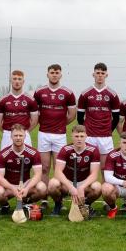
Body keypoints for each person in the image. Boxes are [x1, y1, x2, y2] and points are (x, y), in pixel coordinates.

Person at [33, 64, 77, 207]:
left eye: (57, 73)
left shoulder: (68, 93)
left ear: (60, 75)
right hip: (44, 134)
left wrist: (60, 123)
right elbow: (35, 113)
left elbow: (72, 115)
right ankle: (44, 198)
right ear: (47, 74)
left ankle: (59, 199)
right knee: (44, 167)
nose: (54, 75)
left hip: (60, 135)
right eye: (52, 72)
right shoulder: (39, 92)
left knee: (59, 168)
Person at [47, 125, 102, 216]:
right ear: (72, 136)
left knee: (97, 187)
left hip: (84, 182)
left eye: (81, 136)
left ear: (86, 136)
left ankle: (86, 205)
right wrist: (71, 187)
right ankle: (58, 204)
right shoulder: (65, 150)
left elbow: (94, 174)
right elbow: (57, 172)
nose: (79, 139)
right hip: (67, 182)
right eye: (76, 136)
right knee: (53, 184)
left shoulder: (93, 150)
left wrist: (82, 187)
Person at [0, 125, 47, 214]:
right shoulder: (3, 154)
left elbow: (38, 174)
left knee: (42, 188)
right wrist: (12, 188)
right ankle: (5, 205)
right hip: (9, 186)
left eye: (20, 135)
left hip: (25, 184)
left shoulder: (33, 153)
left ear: (25, 136)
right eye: (15, 135)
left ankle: (26, 202)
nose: (18, 138)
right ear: (11, 136)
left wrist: (27, 188)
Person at [77, 62, 121, 168]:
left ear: (106, 75)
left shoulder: (113, 94)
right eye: (98, 73)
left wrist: (108, 130)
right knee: (87, 167)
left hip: (105, 137)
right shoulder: (85, 94)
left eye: (102, 73)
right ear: (93, 74)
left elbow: (116, 118)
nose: (100, 75)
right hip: (89, 136)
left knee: (105, 168)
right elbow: (79, 117)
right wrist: (86, 130)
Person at [0, 70, 39, 149]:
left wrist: (25, 131)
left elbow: (35, 121)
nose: (17, 81)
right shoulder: (3, 100)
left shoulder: (31, 100)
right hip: (7, 135)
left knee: (26, 156)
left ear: (23, 81)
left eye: (19, 79)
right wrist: (6, 132)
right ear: (10, 80)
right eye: (14, 79)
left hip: (24, 134)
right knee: (5, 156)